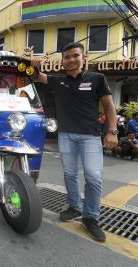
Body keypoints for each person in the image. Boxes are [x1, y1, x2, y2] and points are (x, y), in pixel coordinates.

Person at [34, 42, 118, 242]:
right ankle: (74, 207)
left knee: (93, 177)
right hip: (66, 135)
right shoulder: (58, 81)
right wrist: (29, 64)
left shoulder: (97, 78)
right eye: (67, 57)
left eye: (75, 56)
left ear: (83, 58)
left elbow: (109, 106)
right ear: (62, 60)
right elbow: (35, 75)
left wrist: (112, 131)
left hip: (90, 136)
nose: (71, 60)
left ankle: (91, 218)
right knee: (70, 174)